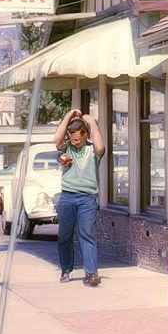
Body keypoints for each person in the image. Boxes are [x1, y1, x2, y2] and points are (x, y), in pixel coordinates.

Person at [53, 108, 106, 287]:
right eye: (72, 138)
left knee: (87, 234)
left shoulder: (93, 151)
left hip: (87, 198)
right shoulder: (66, 148)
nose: (74, 142)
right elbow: (56, 140)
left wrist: (91, 122)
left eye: (77, 139)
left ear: (85, 135)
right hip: (67, 197)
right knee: (65, 236)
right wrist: (69, 115)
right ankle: (66, 269)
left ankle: (91, 273)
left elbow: (101, 147)